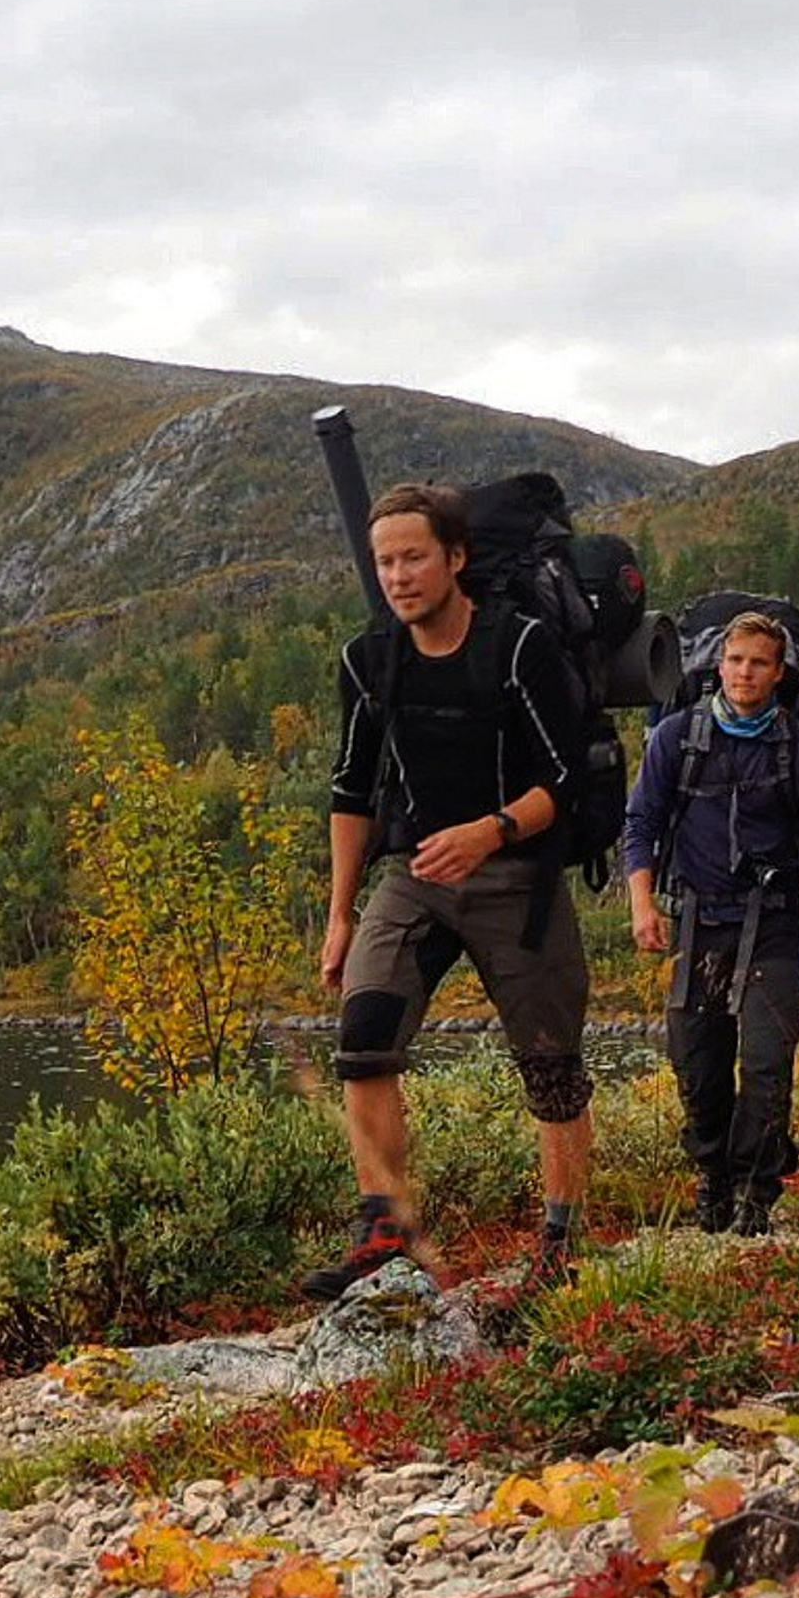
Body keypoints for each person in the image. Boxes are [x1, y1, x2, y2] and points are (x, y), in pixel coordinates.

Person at [307, 481, 596, 1299]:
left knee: (550, 1066)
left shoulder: (518, 647)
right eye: (384, 561)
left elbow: (564, 781)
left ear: (455, 559)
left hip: (516, 876)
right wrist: (338, 916)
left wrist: (489, 831)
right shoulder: (369, 660)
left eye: (413, 557)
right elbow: (351, 792)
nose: (398, 576)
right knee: (363, 1036)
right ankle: (382, 1229)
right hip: (414, 879)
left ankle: (558, 1242)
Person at [621, 613, 799, 1234]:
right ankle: (714, 1178)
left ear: (779, 674)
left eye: (758, 663)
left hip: (773, 924)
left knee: (767, 1062)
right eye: (735, 660)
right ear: (718, 664)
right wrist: (643, 904)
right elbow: (639, 825)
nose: (744, 672)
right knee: (697, 1065)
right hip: (697, 921)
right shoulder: (677, 738)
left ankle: (758, 1187)